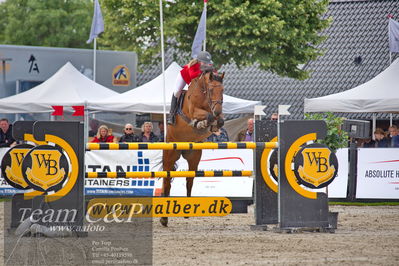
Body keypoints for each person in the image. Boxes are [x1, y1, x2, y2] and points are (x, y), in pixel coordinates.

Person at [168, 51, 214, 125]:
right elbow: (192, 75)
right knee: (176, 92)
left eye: (207, 63)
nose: (206, 64)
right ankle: (172, 114)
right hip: (184, 77)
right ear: (199, 61)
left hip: (195, 83)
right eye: (204, 63)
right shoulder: (194, 65)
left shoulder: (207, 65)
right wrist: (202, 70)